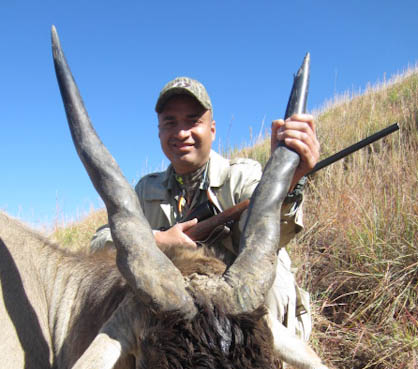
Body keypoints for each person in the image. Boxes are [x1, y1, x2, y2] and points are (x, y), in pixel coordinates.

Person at [91, 77, 320, 340]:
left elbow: (269, 233)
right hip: (180, 314)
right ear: (159, 132)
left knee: (269, 278)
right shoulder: (145, 189)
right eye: (170, 123)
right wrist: (157, 239)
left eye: (192, 121)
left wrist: (287, 181)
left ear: (212, 129)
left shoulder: (243, 176)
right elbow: (100, 241)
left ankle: (271, 359)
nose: (181, 133)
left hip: (236, 305)